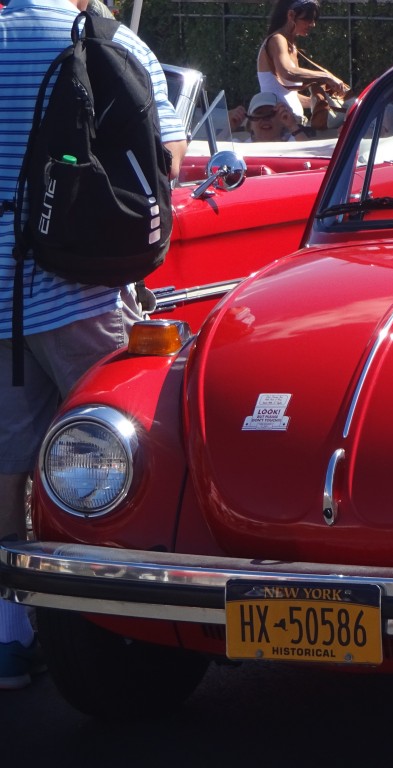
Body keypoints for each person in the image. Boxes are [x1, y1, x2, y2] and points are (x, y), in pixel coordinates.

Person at [0, 0, 186, 690]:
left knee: (9, 468)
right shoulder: (109, 38)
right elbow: (167, 159)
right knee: (121, 449)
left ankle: (11, 637)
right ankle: (124, 628)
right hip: (80, 286)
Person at [256, 0, 349, 124]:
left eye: (314, 19)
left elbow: (288, 95)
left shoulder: (291, 45)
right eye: (308, 19)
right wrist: (327, 77)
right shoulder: (277, 39)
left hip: (292, 123)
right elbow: (288, 72)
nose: (312, 24)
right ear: (291, 15)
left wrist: (319, 101)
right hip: (278, 126)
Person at [244, 92, 310, 141]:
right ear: (250, 124)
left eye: (271, 113)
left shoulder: (295, 143)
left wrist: (293, 126)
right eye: (259, 113)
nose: (265, 119)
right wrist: (233, 126)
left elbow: (309, 155)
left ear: (282, 121)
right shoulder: (238, 149)